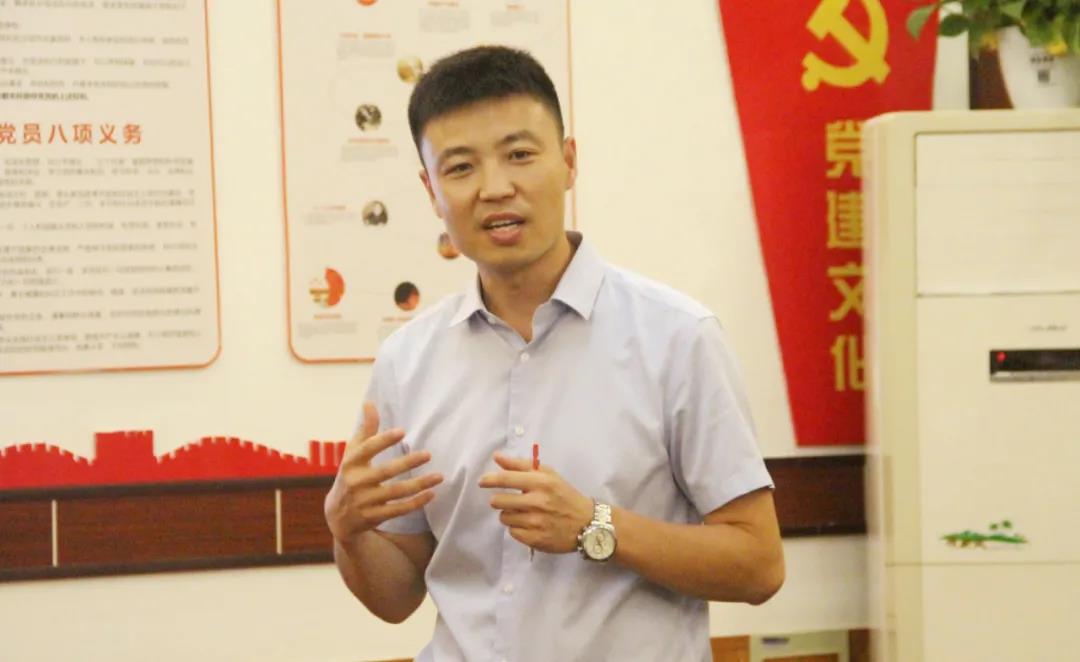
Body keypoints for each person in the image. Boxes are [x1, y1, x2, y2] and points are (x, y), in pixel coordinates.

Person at [324, 45, 784, 662]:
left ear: (568, 162)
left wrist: (595, 526)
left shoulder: (677, 337)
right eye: (460, 168)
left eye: (519, 155)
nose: (495, 188)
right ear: (431, 190)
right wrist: (347, 530)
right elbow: (396, 596)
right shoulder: (406, 363)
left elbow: (758, 564)